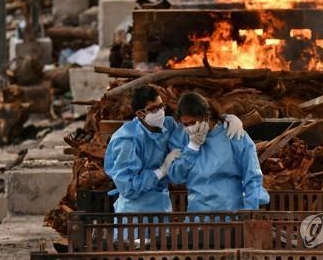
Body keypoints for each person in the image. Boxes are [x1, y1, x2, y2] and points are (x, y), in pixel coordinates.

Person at [104, 86, 246, 214]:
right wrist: (161, 171)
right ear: (140, 114)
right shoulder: (127, 140)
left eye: (161, 106)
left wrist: (226, 118)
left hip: (162, 206)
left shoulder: (168, 125)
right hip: (134, 213)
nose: (160, 112)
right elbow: (128, 188)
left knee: (161, 243)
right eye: (153, 109)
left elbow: (193, 120)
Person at [168, 92, 270, 212]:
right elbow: (176, 177)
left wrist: (250, 210)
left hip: (232, 214)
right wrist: (192, 148)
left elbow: (252, 175)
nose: (190, 128)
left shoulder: (232, 133)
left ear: (206, 116)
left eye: (193, 122)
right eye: (185, 124)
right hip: (198, 217)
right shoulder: (181, 137)